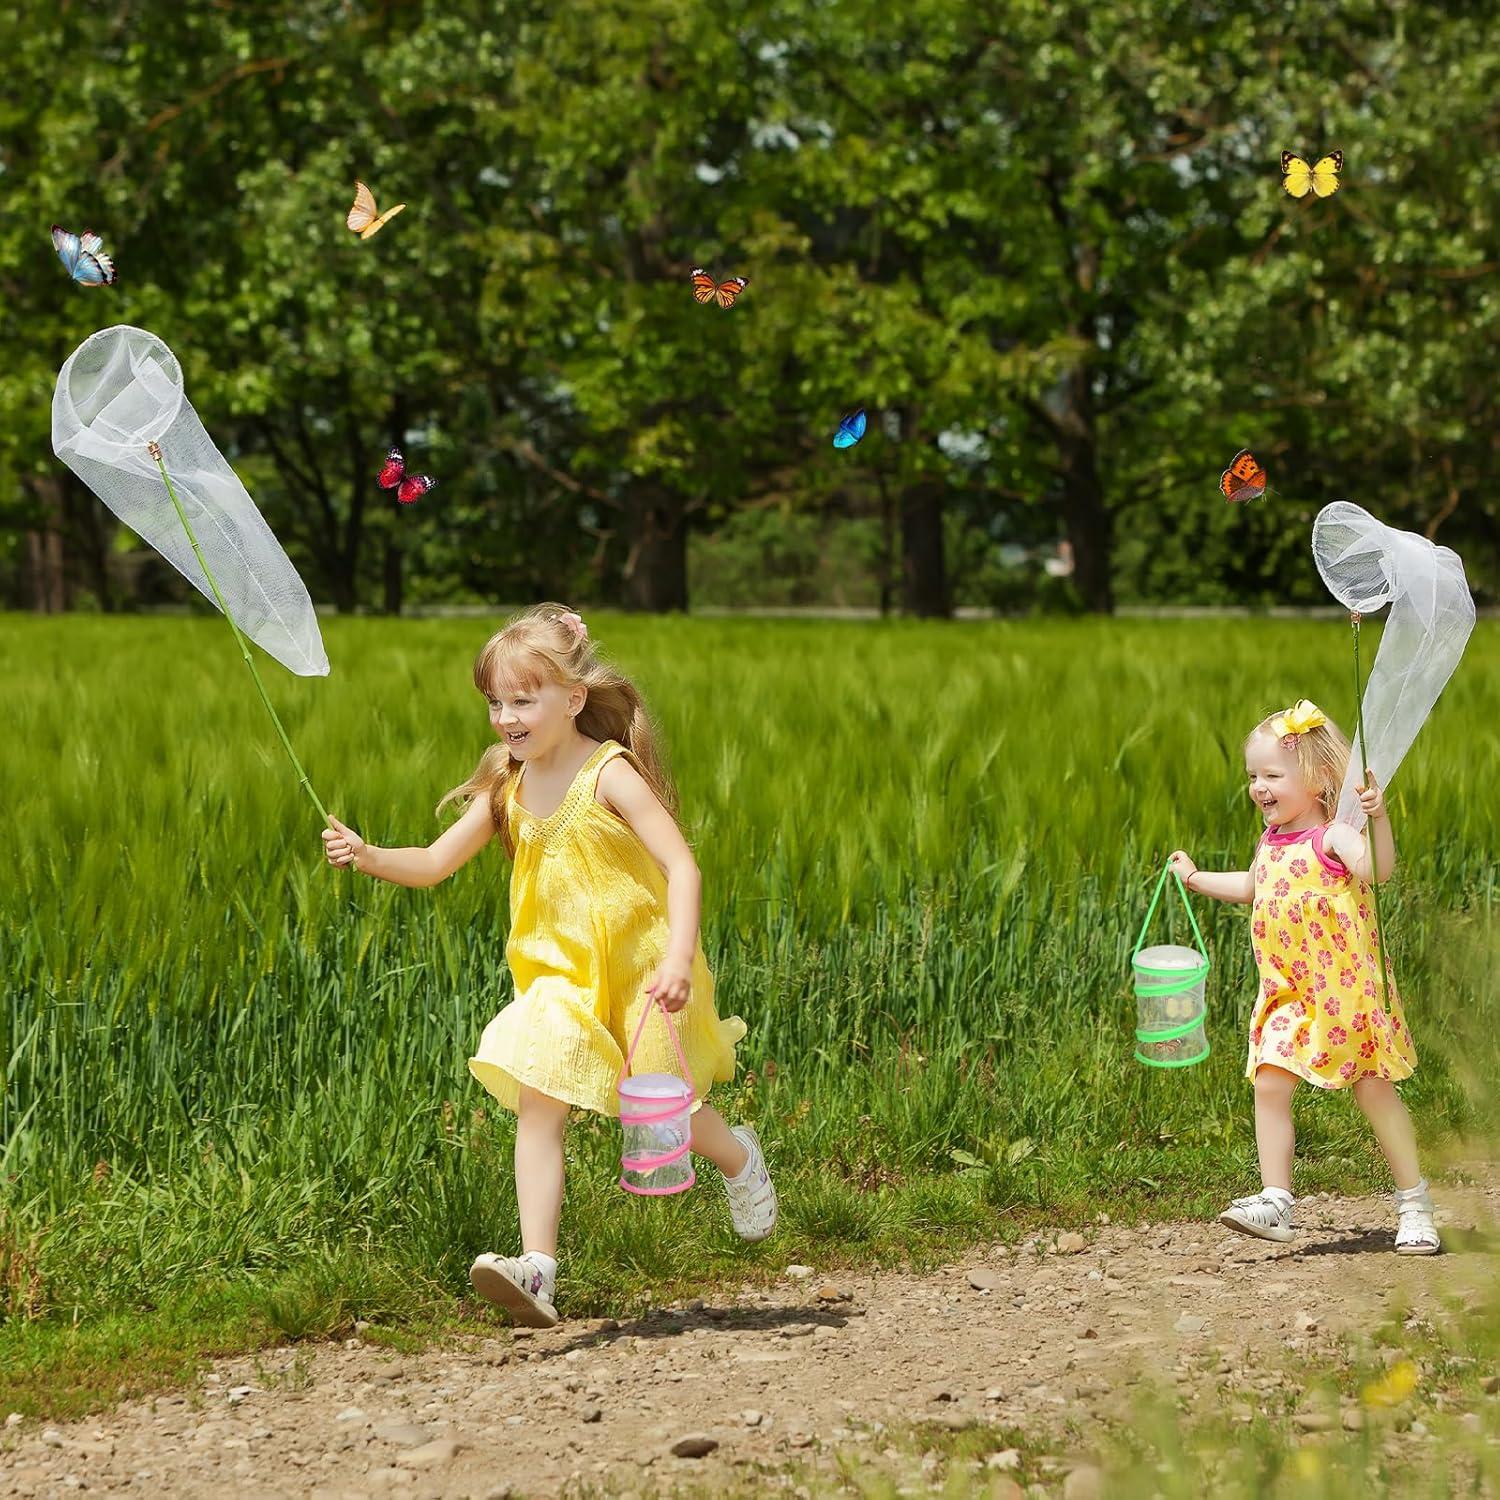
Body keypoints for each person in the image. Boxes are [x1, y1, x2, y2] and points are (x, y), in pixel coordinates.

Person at [321, 603, 778, 1326]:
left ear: (572, 699)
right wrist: (368, 855)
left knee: (664, 1113)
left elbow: (681, 867)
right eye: (495, 701)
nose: (505, 716)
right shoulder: (508, 783)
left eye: (522, 699)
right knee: (539, 1101)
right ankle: (538, 1269)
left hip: (643, 974)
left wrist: (680, 956)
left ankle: (739, 1159)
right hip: (558, 980)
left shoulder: (609, 774)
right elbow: (437, 862)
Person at [1168, 699, 1439, 1254]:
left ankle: (1414, 1202)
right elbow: (1253, 885)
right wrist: (1196, 879)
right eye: (1252, 776)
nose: (1258, 787)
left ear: (1317, 780)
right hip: (1287, 992)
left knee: (1374, 1092)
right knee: (1269, 1080)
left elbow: (1377, 871)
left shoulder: (1334, 838)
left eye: (1272, 774)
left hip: (1345, 996)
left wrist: (1379, 819)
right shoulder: (1272, 842)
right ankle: (1276, 1199)